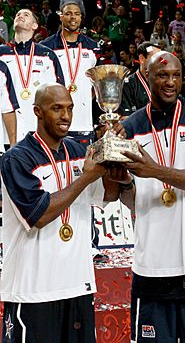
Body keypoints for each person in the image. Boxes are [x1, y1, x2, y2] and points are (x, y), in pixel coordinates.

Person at [115, 51, 185, 341]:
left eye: (176, 75)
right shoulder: (130, 128)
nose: (170, 82)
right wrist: (123, 183)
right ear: (146, 78)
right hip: (151, 267)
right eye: (162, 75)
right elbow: (132, 200)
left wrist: (154, 170)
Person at [0, 83, 109, 343]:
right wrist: (86, 177)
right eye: (57, 109)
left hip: (77, 285)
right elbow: (38, 215)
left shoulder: (80, 152)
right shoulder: (17, 159)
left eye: (70, 109)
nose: (66, 116)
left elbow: (108, 195)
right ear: (37, 112)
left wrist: (114, 163)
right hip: (33, 291)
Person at [41, 0, 99, 149]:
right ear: (61, 16)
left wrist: (85, 97)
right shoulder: (46, 47)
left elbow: (98, 83)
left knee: (83, 169)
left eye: (77, 14)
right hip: (53, 123)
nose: (73, 17)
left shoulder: (93, 47)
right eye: (68, 13)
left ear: (81, 17)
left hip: (84, 122)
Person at [0, 8, 65, 142]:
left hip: (38, 127)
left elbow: (57, 94)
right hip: (4, 129)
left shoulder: (47, 55)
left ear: (35, 26)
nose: (20, 16)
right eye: (18, 14)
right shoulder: (1, 53)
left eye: (26, 14)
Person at [119, 41, 160, 116]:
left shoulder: (164, 81)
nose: (159, 62)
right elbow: (126, 117)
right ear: (142, 59)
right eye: (155, 58)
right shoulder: (128, 84)